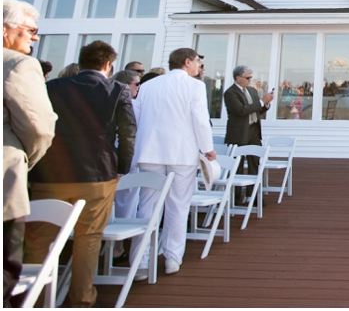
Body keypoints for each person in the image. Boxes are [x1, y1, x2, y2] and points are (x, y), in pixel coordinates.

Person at [26, 41, 135, 308]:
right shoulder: (117, 90)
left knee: (39, 239)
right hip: (97, 175)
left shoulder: (52, 87)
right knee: (88, 240)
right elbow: (128, 134)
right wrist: (122, 168)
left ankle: (32, 299)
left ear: (81, 61)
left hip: (50, 174)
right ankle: (82, 300)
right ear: (108, 64)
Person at [132, 48, 215, 277]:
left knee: (146, 206)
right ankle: (172, 258)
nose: (199, 66)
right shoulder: (195, 86)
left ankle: (140, 261)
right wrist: (207, 148)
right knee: (178, 206)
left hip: (150, 151)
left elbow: (136, 118)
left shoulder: (148, 85)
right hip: (181, 153)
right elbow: (200, 119)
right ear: (187, 62)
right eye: (197, 61)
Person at [3, 0, 56, 307]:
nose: (35, 38)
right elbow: (38, 127)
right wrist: (25, 160)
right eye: (30, 30)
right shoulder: (18, 64)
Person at [224, 65, 273, 204]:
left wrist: (266, 104)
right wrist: (262, 102)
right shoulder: (230, 93)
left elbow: (257, 110)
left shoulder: (252, 91)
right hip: (239, 132)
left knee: (254, 163)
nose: (250, 81)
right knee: (236, 165)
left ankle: (253, 197)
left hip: (254, 131)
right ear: (238, 78)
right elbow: (241, 110)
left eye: (251, 77)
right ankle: (235, 197)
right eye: (247, 78)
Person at [111, 70, 141, 260]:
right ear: (126, 85)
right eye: (136, 84)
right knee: (125, 201)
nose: (139, 88)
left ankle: (116, 246)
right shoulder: (133, 106)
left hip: (112, 156)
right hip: (126, 157)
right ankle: (118, 246)